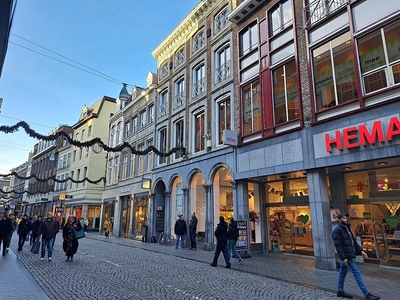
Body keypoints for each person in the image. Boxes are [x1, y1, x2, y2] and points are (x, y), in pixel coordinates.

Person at [332, 213, 380, 300]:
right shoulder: (337, 230)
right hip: (347, 256)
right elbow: (338, 246)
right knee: (356, 273)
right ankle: (367, 294)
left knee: (342, 273)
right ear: (339, 219)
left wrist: (361, 251)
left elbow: (353, 242)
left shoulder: (347, 228)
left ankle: (340, 291)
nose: (345, 220)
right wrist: (343, 258)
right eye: (343, 218)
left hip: (349, 254)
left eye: (346, 218)